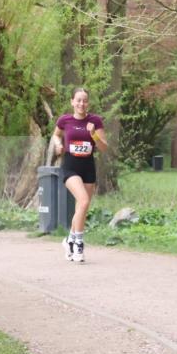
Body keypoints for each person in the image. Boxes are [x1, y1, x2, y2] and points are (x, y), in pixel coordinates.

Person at [51, 87, 107, 263]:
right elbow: (55, 136)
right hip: (70, 166)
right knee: (83, 201)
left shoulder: (95, 121)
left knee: (82, 208)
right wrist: (57, 144)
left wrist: (93, 135)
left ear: (88, 103)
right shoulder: (64, 120)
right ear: (72, 102)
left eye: (85, 100)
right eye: (78, 100)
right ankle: (79, 244)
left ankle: (69, 241)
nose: (81, 103)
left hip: (88, 167)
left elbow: (104, 147)